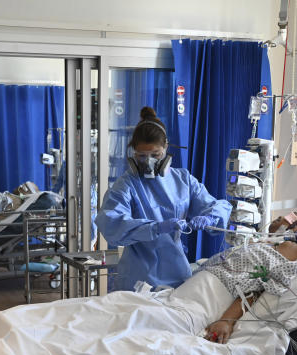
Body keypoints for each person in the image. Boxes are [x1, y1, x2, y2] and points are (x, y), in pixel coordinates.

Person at [96, 107, 232, 291]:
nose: (148, 162)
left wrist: (210, 217)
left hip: (177, 274)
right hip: (138, 277)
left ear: (166, 148)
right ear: (133, 154)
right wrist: (156, 227)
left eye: (155, 155)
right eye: (141, 156)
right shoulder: (127, 184)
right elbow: (111, 222)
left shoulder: (183, 180)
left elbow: (216, 205)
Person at [202, 213, 297, 343]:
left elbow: (259, 283)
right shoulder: (268, 243)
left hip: (215, 287)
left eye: (287, 218)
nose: (278, 219)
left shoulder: (291, 246)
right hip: (209, 278)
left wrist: (227, 320)